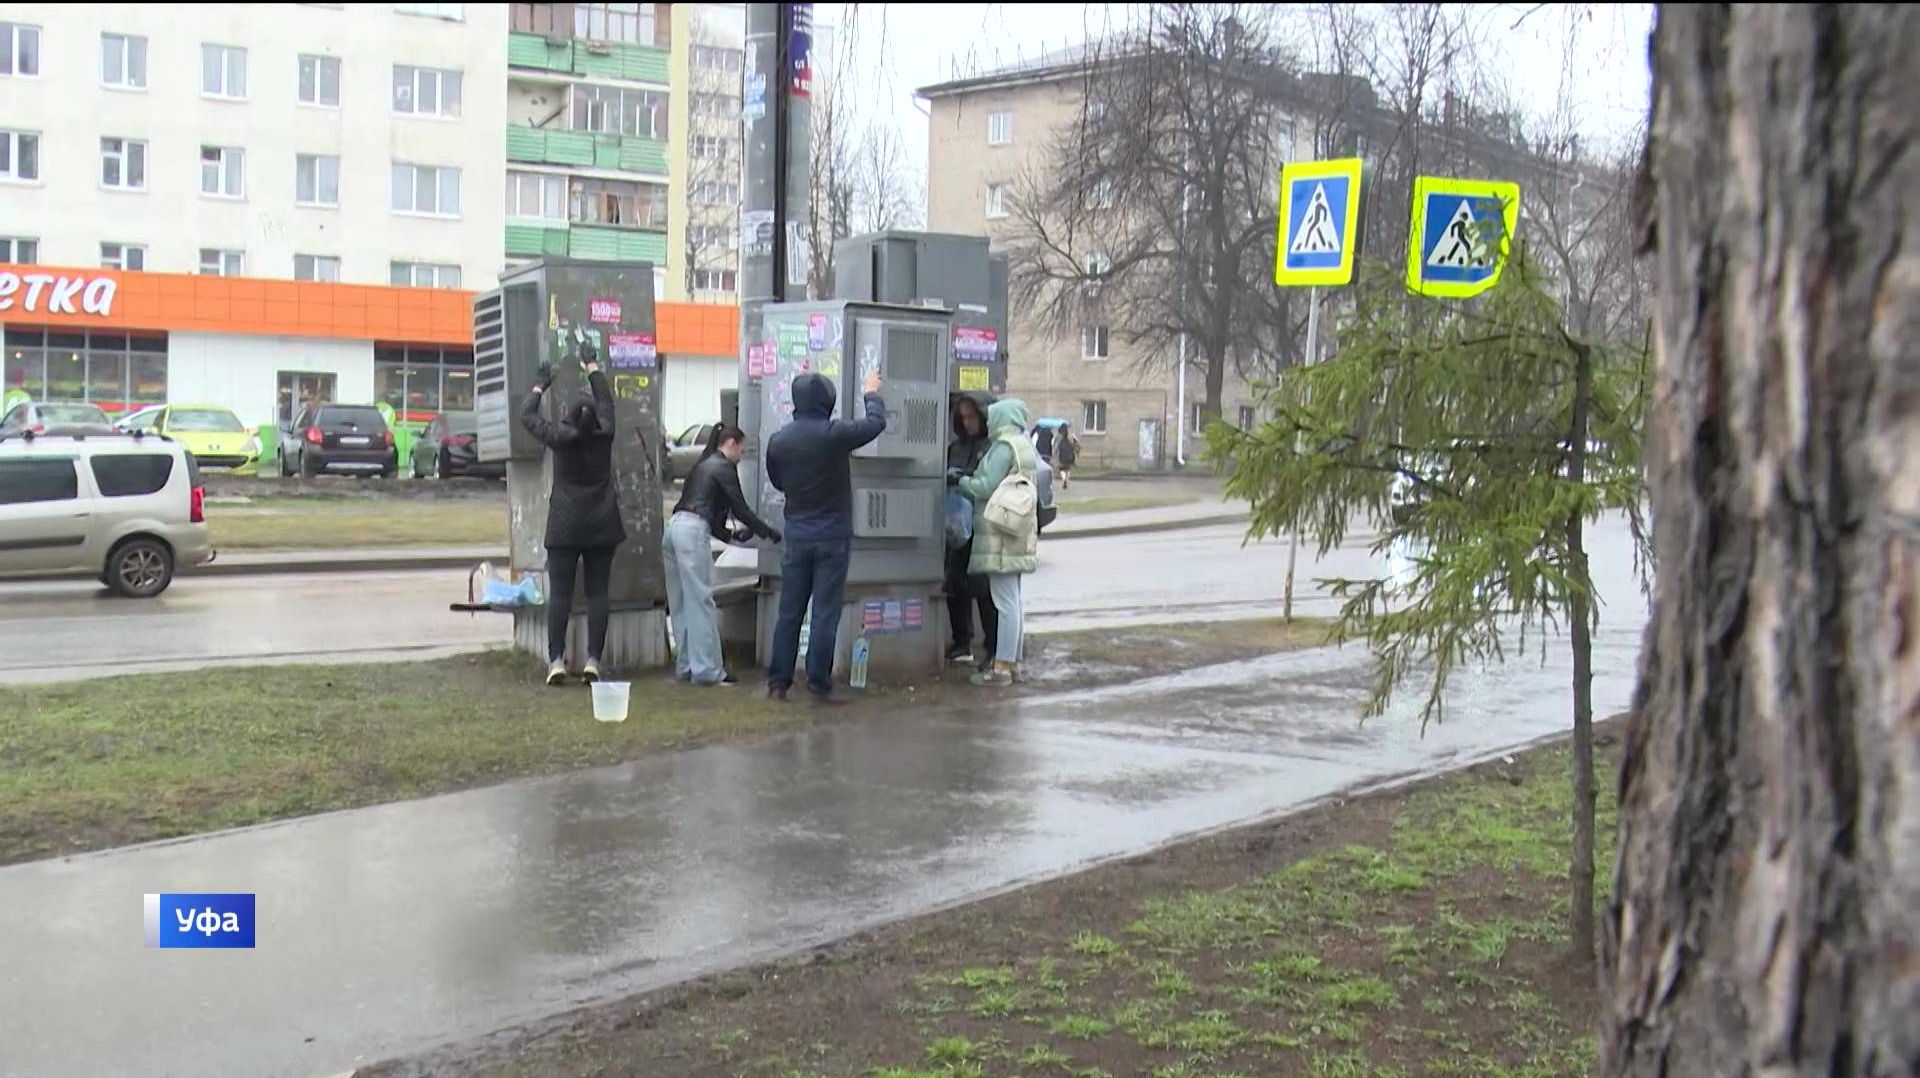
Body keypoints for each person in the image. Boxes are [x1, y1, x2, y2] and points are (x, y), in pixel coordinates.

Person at [764, 369, 887, 702]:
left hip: (796, 534)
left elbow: (778, 482)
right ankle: (818, 683)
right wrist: (871, 392)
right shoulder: (834, 434)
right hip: (832, 535)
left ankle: (778, 683)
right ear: (826, 401)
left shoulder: (779, 440)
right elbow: (876, 424)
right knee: (824, 612)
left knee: (789, 611)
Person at [521, 342, 623, 687]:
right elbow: (606, 402)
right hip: (602, 522)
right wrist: (591, 364)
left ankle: (555, 661)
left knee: (561, 594)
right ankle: (594, 660)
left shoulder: (559, 437)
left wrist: (539, 385)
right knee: (598, 593)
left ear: (567, 415)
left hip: (564, 524)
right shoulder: (604, 434)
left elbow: (527, 417)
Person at [664, 423, 780, 685]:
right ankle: (707, 671)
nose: (742, 455)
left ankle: (685, 666)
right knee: (702, 601)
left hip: (673, 529)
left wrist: (730, 537)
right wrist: (767, 532)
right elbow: (741, 509)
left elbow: (700, 508)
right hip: (692, 532)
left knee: (681, 601)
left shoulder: (702, 464)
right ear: (731, 444)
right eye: (742, 448)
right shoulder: (723, 467)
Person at [956, 398, 1040, 687]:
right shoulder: (1023, 443)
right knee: (1013, 600)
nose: (987, 423)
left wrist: (962, 482)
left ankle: (1001, 667)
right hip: (1016, 528)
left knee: (1004, 600)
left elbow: (986, 486)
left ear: (1002, 418)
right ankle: (1011, 662)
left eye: (991, 418)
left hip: (999, 532)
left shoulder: (1004, 447)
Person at [944, 392, 998, 667]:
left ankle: (992, 647)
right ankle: (962, 640)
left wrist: (962, 478)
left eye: (971, 417)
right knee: (954, 582)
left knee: (982, 587)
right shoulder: (958, 446)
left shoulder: (992, 447)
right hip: (957, 525)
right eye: (962, 418)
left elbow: (987, 482)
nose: (967, 423)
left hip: (982, 524)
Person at [1055, 423, 1078, 488]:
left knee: (1062, 469)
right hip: (1069, 455)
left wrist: (1055, 453)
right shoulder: (1071, 436)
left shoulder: (1059, 437)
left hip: (1062, 455)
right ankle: (1066, 480)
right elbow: (1075, 443)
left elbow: (1056, 446)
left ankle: (1064, 479)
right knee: (1068, 469)